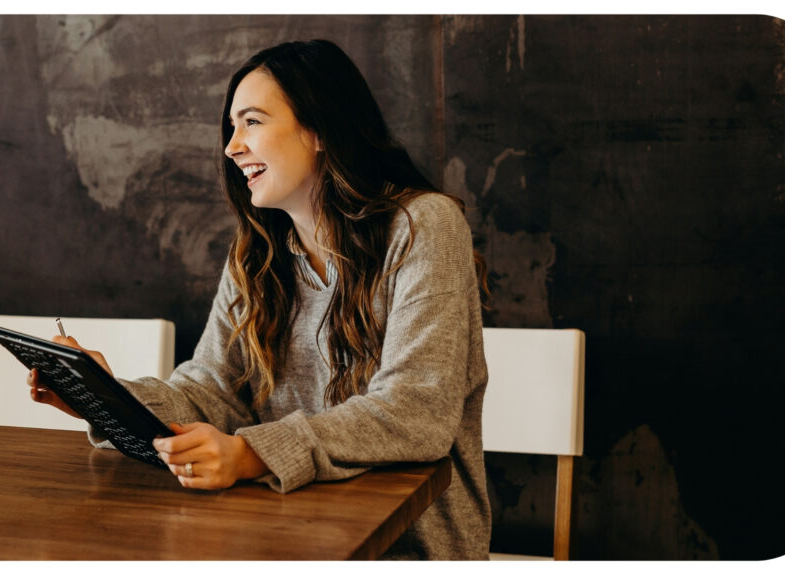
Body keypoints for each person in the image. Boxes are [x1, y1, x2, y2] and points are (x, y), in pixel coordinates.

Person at [28, 39, 491, 560]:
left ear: (319, 130)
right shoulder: (256, 255)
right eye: (231, 127)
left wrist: (251, 454)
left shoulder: (423, 226)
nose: (231, 147)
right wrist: (108, 399)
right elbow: (211, 393)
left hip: (405, 548)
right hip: (279, 535)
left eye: (251, 122)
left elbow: (414, 413)